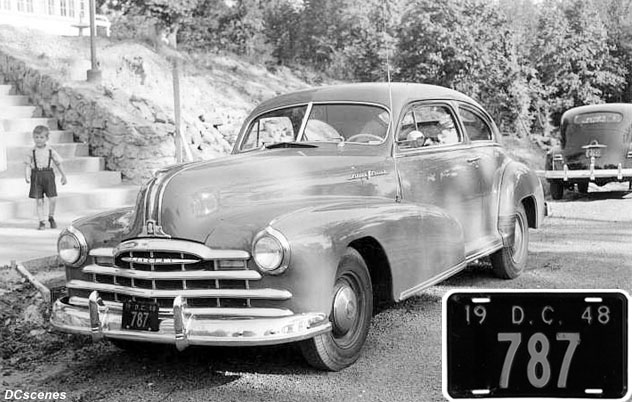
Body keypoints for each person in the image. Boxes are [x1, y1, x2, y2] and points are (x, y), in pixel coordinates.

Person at [24, 125, 67, 230]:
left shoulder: (50, 150)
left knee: (52, 198)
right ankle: (41, 221)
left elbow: (58, 163)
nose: (38, 139)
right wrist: (27, 174)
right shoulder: (31, 151)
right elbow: (27, 164)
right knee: (39, 200)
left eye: (41, 137)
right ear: (33, 138)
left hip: (48, 175)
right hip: (36, 175)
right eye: (36, 137)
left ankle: (51, 216)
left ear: (47, 138)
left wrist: (63, 175)